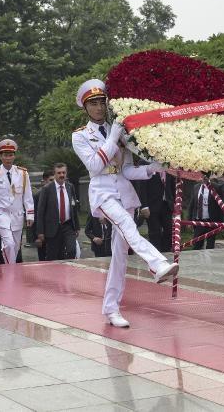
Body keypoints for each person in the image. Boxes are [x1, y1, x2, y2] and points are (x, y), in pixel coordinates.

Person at [72, 79, 178, 328]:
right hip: (103, 193)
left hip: (124, 192)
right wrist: (114, 137)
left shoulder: (118, 129)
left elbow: (128, 170)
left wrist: (153, 168)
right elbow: (96, 166)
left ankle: (111, 309)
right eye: (93, 104)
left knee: (120, 255)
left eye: (101, 102)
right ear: (85, 108)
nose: (99, 107)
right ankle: (157, 264)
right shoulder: (80, 136)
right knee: (127, 226)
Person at [0, 139, 34, 264]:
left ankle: (9, 268)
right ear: (0, 156)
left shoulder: (23, 173)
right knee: (9, 244)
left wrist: (30, 214)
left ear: (14, 156)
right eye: (5, 155)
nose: (8, 158)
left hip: (17, 215)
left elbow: (27, 196)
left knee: (16, 247)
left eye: (11, 155)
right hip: (0, 214)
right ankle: (10, 271)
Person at [36, 163, 80, 260]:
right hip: (52, 228)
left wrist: (76, 226)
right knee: (54, 256)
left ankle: (69, 271)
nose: (61, 175)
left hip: (68, 226)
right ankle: (55, 274)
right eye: (59, 173)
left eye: (63, 172)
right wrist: (40, 232)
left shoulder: (70, 187)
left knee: (72, 250)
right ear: (55, 174)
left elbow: (74, 208)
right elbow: (40, 212)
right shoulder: (47, 189)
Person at [137, 170, 175, 252]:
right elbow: (142, 186)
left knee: (169, 230)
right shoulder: (146, 163)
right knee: (155, 232)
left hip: (167, 204)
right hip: (152, 205)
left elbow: (172, 185)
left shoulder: (169, 164)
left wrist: (174, 203)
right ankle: (156, 255)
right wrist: (144, 206)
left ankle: (166, 253)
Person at [188, 180, 224, 250]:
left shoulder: (216, 187)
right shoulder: (196, 187)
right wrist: (190, 220)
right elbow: (192, 205)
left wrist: (222, 222)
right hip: (198, 221)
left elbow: (221, 206)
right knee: (197, 246)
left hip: (211, 221)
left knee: (210, 246)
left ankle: (210, 260)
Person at [32, 170, 54, 260]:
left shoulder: (59, 193)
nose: (54, 183)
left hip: (55, 234)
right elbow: (34, 217)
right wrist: (36, 237)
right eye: (51, 180)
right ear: (44, 181)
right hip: (42, 235)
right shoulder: (37, 195)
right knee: (43, 261)